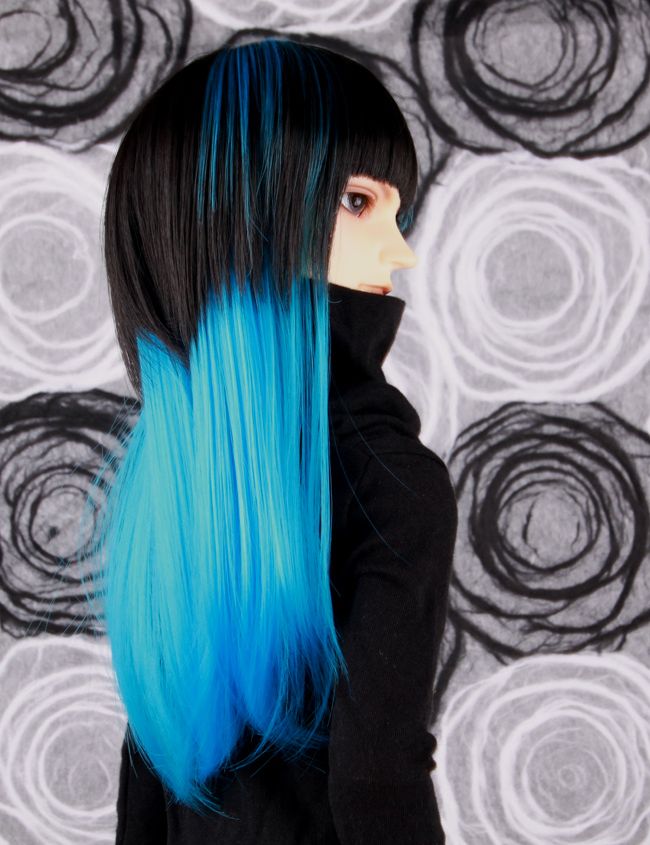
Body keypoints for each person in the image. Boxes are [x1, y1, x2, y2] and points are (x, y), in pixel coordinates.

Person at [87, 36, 457, 844]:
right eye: (358, 201)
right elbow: (378, 774)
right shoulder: (392, 479)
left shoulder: (165, 479)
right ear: (248, 218)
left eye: (396, 211)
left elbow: (150, 775)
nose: (400, 250)